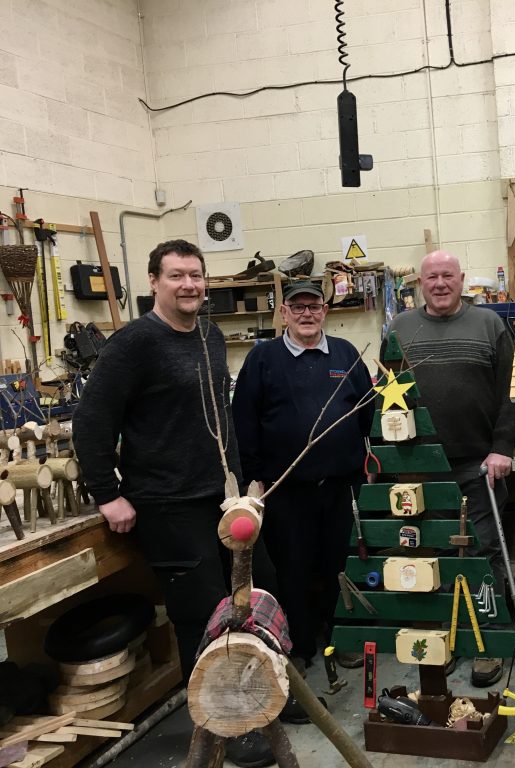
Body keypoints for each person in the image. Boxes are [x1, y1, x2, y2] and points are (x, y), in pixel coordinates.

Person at [74, 240, 278, 767]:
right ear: (153, 282)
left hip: (220, 498)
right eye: (177, 276)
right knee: (203, 618)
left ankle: (255, 706)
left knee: (253, 599)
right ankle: (222, 726)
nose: (189, 285)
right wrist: (107, 494)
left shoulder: (209, 334)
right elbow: (92, 420)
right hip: (168, 503)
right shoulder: (134, 343)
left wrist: (238, 481)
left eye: (196, 275)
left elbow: (216, 417)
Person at [232, 281, 373, 701]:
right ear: (285, 313)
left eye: (314, 306)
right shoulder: (263, 358)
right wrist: (253, 478)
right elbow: (245, 421)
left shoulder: (346, 354)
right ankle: (300, 646)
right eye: (298, 306)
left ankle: (341, 639)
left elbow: (368, 410)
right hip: (285, 490)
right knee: (292, 569)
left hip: (341, 484)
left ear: (325, 310)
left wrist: (368, 461)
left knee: (338, 565)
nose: (307, 313)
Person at [385, 250, 515, 687]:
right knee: (427, 556)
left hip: (479, 463)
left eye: (447, 276)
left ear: (462, 280)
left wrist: (502, 449)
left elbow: (510, 393)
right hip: (418, 468)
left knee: (483, 552)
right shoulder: (400, 330)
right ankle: (441, 643)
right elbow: (388, 399)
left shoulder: (489, 325)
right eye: (431, 277)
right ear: (418, 284)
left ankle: (489, 645)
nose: (440, 283)